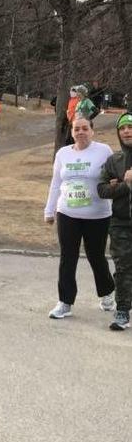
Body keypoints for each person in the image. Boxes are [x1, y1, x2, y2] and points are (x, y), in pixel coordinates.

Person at [43, 115, 115, 319]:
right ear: (72, 132)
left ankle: (107, 292)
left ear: (92, 131)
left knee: (96, 256)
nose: (81, 132)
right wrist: (49, 210)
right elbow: (56, 183)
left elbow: (113, 177)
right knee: (68, 257)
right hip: (67, 213)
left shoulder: (103, 151)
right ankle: (65, 302)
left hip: (97, 215)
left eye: (85, 128)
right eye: (77, 129)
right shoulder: (63, 154)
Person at [97, 112, 132, 330]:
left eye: (130, 127)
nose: (127, 131)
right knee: (122, 267)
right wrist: (124, 184)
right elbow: (101, 189)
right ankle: (122, 310)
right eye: (122, 128)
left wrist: (116, 184)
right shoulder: (113, 160)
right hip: (120, 223)